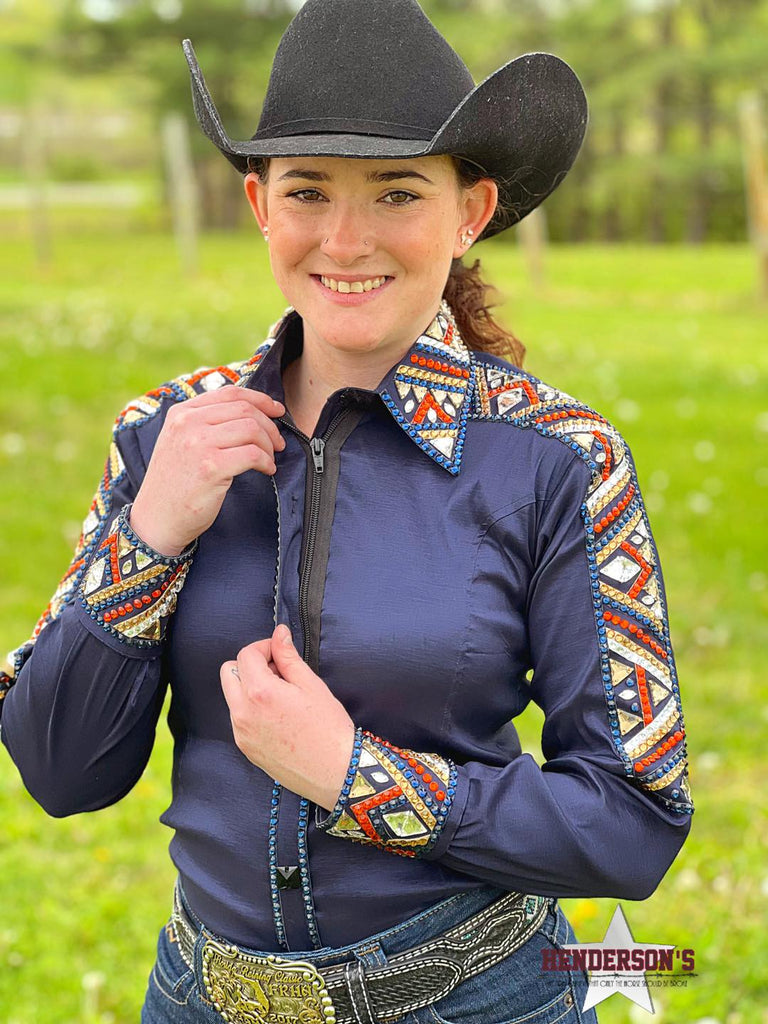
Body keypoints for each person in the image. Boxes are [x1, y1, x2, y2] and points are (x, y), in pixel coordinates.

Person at [0, 1, 693, 1021]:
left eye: (398, 192)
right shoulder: (164, 437)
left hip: (475, 1000)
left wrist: (357, 775)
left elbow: (633, 822)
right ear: (257, 205)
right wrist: (148, 536)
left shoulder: (561, 463)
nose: (346, 238)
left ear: (469, 212)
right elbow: (60, 769)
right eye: (308, 191)